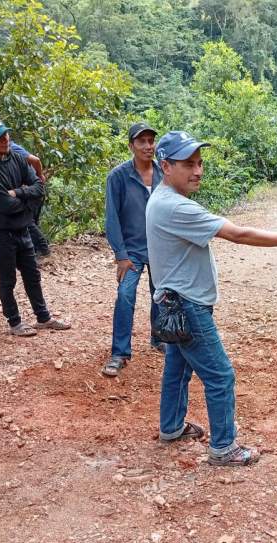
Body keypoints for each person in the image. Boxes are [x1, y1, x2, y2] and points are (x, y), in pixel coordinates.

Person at [146, 131, 277, 466]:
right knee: (220, 375)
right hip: (187, 306)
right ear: (165, 165)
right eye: (188, 164)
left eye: (200, 163)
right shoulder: (175, 206)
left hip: (173, 303)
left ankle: (171, 427)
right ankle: (224, 447)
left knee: (178, 367)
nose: (198, 170)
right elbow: (239, 234)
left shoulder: (161, 199)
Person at [0, 115, 70, 336]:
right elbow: (4, 205)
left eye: (6, 134)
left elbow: (38, 186)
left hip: (21, 227)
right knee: (8, 280)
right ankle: (15, 323)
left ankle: (43, 318)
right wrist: (27, 200)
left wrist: (19, 192)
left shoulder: (16, 158)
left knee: (32, 275)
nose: (5, 139)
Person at [102, 122, 163, 377]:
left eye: (151, 141)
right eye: (142, 142)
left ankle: (160, 339)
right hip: (132, 250)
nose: (148, 146)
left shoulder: (164, 173)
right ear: (131, 146)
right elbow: (111, 218)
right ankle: (120, 352)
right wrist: (121, 255)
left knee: (161, 295)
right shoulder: (118, 176)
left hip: (160, 248)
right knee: (125, 296)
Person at [9, 140, 50, 257]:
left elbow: (35, 160)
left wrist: (39, 176)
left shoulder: (11, 148)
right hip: (29, 189)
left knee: (27, 220)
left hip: (30, 189)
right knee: (31, 221)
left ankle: (43, 248)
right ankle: (38, 249)